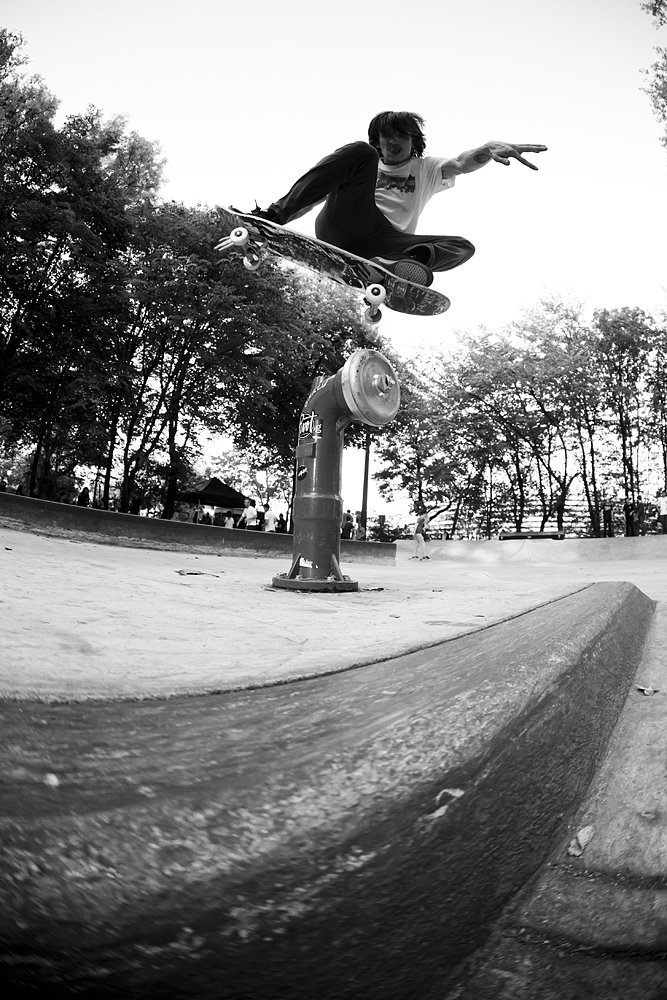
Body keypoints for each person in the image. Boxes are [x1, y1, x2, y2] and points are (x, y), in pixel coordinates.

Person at [248, 111, 547, 287]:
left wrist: (484, 150)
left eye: (401, 136)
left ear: (413, 142)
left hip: (386, 243)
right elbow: (315, 195)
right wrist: (274, 227)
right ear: (377, 140)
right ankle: (272, 216)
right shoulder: (364, 162)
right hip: (345, 224)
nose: (392, 142)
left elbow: (461, 163)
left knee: (461, 246)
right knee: (358, 154)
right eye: (386, 136)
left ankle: (394, 268)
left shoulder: (426, 168)